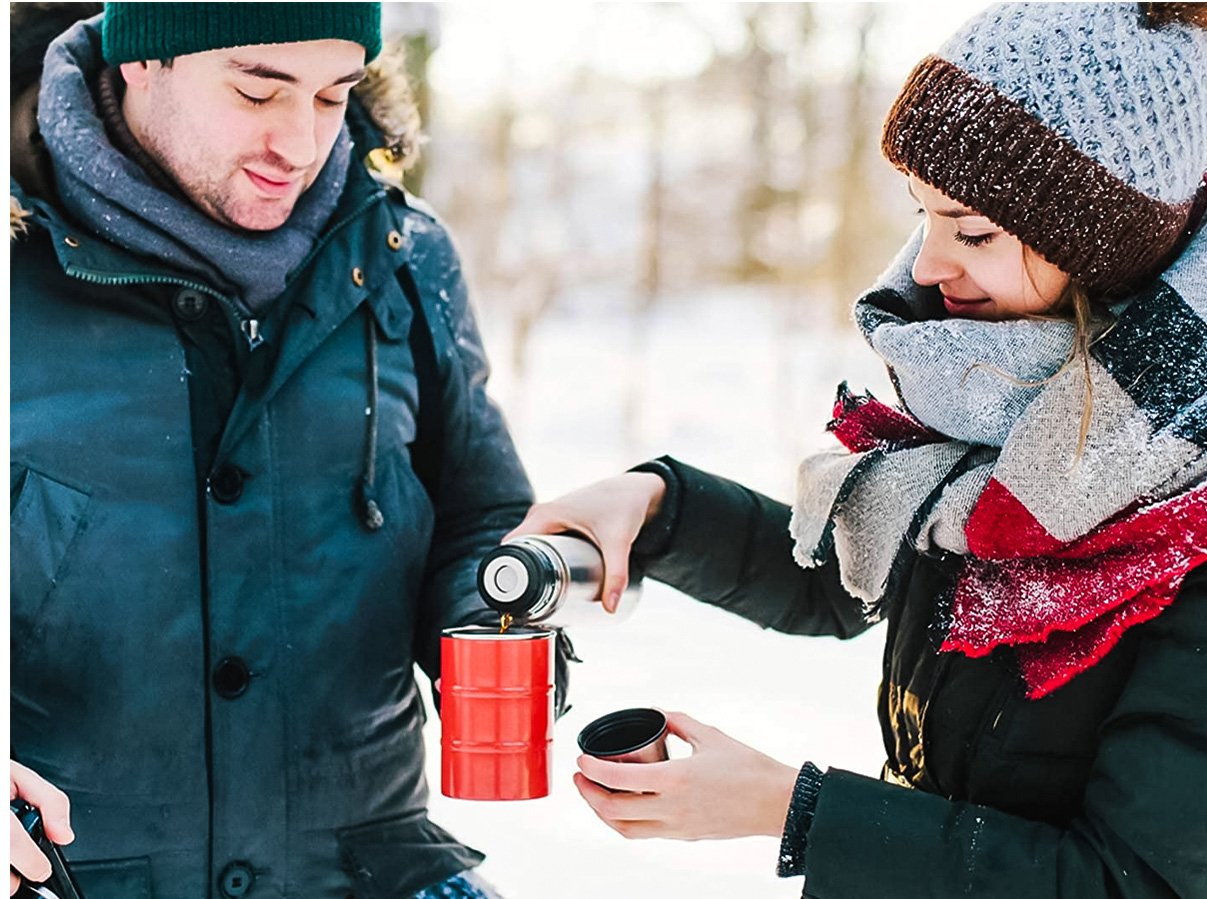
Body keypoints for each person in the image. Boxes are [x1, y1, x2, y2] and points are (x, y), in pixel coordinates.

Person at [509, 3, 1207, 896]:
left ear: (1098, 242)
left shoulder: (1176, 504)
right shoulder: (1003, 414)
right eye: (923, 217)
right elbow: (846, 576)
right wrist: (657, 506)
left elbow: (1129, 881)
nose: (922, 267)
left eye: (973, 230)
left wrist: (796, 810)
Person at [10, 4, 573, 898]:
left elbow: (477, 513)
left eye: (330, 94)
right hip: (72, 874)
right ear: (141, 58)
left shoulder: (402, 255)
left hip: (363, 868)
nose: (300, 142)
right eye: (256, 89)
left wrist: (495, 612)